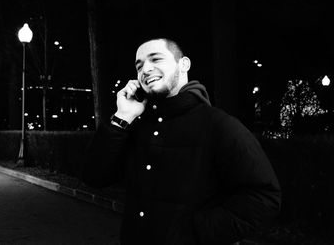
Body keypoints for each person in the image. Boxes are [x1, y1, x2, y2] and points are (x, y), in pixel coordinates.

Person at [81, 38, 281, 245]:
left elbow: (264, 195)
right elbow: (94, 177)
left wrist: (199, 233)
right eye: (139, 65)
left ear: (184, 64)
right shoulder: (137, 124)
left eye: (155, 59)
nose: (145, 69)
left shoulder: (218, 124)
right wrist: (122, 117)